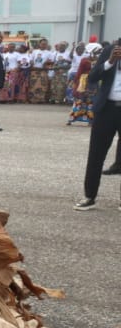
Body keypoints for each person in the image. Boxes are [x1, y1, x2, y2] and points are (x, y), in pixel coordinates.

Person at [74, 39, 121, 210]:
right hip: (106, 109)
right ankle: (89, 196)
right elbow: (93, 77)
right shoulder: (109, 51)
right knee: (96, 154)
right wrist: (110, 62)